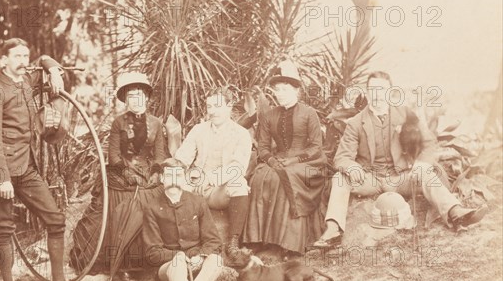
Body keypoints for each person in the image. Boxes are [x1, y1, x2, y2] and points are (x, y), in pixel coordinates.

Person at [313, 71, 487, 249]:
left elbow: (430, 144)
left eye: (381, 89)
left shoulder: (405, 115)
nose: (377, 94)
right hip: (369, 178)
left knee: (426, 172)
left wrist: (421, 164)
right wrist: (352, 167)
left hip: (401, 177)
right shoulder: (356, 122)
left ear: (389, 92)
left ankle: (455, 212)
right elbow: (342, 157)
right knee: (340, 178)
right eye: (372, 89)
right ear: (367, 91)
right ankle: (333, 230)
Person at [0, 38, 81, 281]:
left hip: (25, 168)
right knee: (4, 229)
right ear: (4, 61)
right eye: (17, 57)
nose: (23, 61)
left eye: (26, 56)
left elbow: (46, 60)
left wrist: (55, 71)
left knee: (55, 219)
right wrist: (2, 178)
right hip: (1, 171)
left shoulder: (25, 82)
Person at [71, 72, 166, 280]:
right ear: (126, 100)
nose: (135, 99)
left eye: (139, 94)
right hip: (120, 173)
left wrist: (157, 171)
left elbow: (160, 154)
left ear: (146, 98)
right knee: (123, 202)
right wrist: (125, 171)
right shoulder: (118, 123)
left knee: (151, 200)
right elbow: (113, 155)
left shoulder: (156, 123)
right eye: (130, 95)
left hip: (147, 173)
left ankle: (147, 261)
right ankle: (122, 263)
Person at [243, 60, 327, 256]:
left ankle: (290, 243)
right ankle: (258, 239)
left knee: (287, 176)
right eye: (277, 90)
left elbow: (316, 147)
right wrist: (271, 161)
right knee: (261, 176)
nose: (279, 93)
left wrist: (294, 161)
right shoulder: (269, 115)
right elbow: (263, 146)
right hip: (278, 159)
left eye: (284, 89)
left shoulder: (309, 113)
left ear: (296, 91)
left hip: (307, 162)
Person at [174, 86, 252, 260]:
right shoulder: (198, 130)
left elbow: (237, 167)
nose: (213, 111)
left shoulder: (241, 134)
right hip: (195, 188)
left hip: (218, 191)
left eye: (217, 106)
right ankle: (182, 246)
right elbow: (182, 158)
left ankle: (232, 243)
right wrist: (191, 177)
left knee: (239, 184)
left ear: (229, 106)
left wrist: (209, 179)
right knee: (176, 181)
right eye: (210, 107)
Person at [142, 158, 224, 281]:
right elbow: (152, 253)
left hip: (196, 263)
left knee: (216, 260)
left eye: (178, 176)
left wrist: (201, 256)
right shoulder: (152, 207)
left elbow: (214, 241)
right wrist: (178, 256)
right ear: (162, 179)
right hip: (170, 268)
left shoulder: (197, 202)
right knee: (178, 261)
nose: (174, 181)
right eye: (169, 176)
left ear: (184, 178)